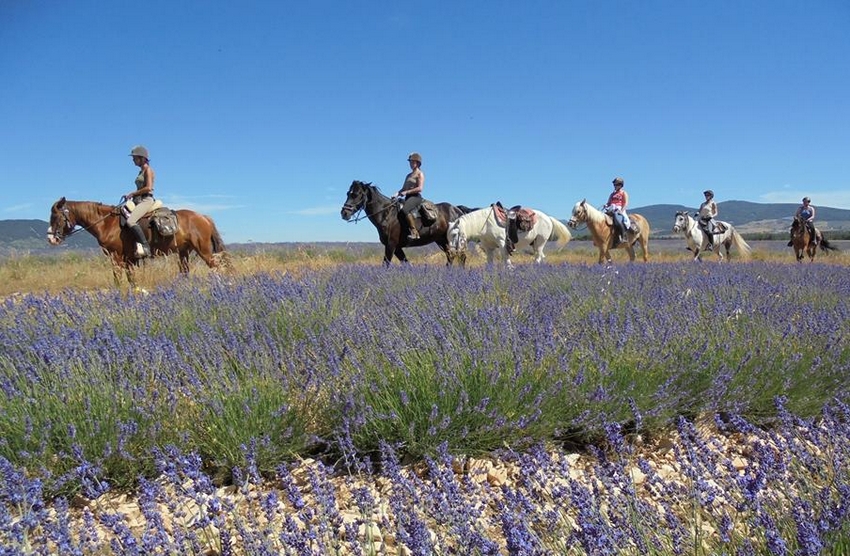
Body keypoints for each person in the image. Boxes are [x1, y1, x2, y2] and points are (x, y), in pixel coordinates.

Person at [124, 145, 155, 257]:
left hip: (146, 200)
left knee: (131, 221)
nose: (133, 160)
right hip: (138, 200)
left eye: (135, 158)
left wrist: (133, 193)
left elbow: (148, 187)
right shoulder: (140, 172)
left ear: (142, 158)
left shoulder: (148, 170)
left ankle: (145, 246)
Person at [396, 152, 425, 240]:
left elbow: (420, 188)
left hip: (416, 197)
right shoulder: (408, 175)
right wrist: (396, 194)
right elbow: (403, 188)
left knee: (405, 209)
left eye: (413, 162)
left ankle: (414, 232)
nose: (411, 164)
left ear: (418, 163)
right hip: (408, 197)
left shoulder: (420, 174)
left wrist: (407, 192)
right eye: (410, 162)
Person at [602, 176, 631, 246]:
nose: (615, 186)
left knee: (618, 220)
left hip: (619, 209)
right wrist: (606, 205)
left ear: (620, 185)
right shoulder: (612, 194)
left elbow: (626, 203)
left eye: (616, 184)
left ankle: (624, 236)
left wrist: (622, 210)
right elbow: (609, 202)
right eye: (614, 184)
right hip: (611, 208)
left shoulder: (624, 193)